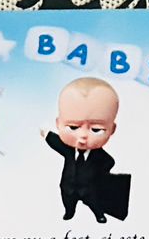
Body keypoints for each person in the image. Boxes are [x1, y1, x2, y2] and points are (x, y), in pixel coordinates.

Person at [42, 76, 130, 222]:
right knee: (68, 200)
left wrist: (99, 174)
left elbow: (109, 162)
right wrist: (46, 134)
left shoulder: (99, 155)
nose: (83, 136)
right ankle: (69, 211)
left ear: (112, 129)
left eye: (96, 129)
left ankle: (99, 215)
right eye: (73, 127)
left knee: (94, 202)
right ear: (59, 124)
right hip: (69, 185)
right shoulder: (69, 150)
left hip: (89, 188)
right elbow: (55, 141)